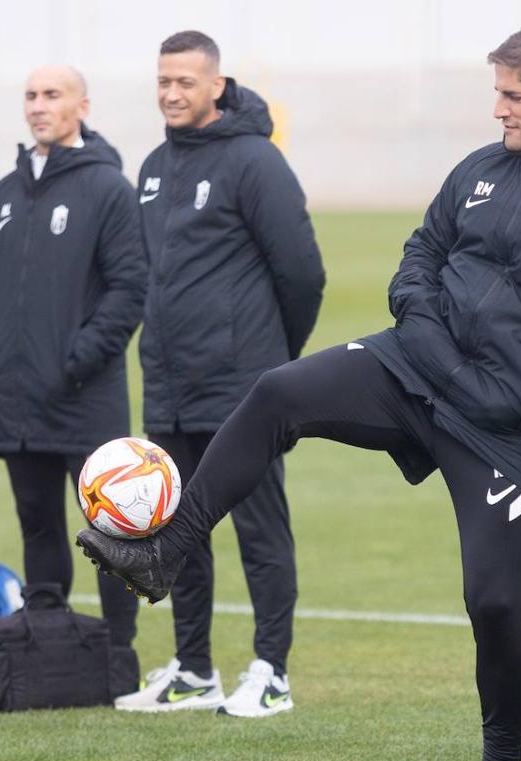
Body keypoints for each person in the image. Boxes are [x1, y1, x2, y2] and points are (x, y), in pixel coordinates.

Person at [80, 18, 521, 761]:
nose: (498, 110)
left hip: (507, 427)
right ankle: (165, 551)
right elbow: (423, 251)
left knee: (494, 603)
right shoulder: (481, 168)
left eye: (512, 95)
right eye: (496, 93)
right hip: (412, 368)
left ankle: (502, 758)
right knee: (276, 394)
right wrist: (421, 325)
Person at [109, 30, 326, 718]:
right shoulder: (150, 167)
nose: (172, 94)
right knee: (176, 529)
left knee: (259, 530)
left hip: (243, 388)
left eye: (185, 82)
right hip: (170, 387)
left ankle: (272, 669)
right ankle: (195, 670)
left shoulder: (256, 161)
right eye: (163, 82)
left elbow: (303, 274)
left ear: (216, 85)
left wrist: (270, 360)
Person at [0, 65, 146, 692]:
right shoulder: (4, 194)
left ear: (81, 105)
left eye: (52, 95)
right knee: (37, 523)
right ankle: (47, 653)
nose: (39, 107)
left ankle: (120, 662)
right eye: (31, 96)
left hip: (82, 397)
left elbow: (131, 288)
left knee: (110, 530)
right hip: (15, 395)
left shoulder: (108, 189)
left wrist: (78, 360)